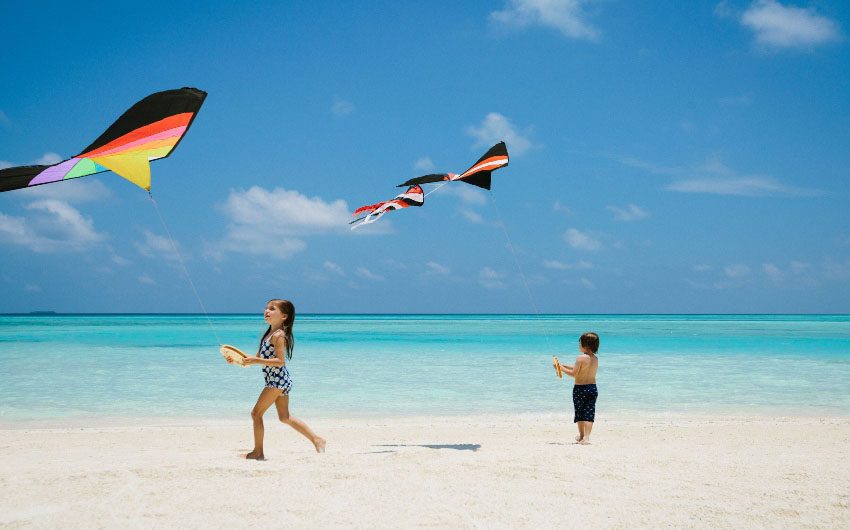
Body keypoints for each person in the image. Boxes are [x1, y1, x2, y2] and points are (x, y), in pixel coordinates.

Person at [236, 299, 326, 458]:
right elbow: (259, 357)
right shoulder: (268, 334)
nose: (267, 311)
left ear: (284, 316)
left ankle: (258, 452)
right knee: (284, 417)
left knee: (256, 414)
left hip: (277, 381)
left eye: (272, 309)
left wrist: (257, 361)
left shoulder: (279, 336)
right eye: (266, 308)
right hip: (280, 380)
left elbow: (280, 361)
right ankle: (317, 439)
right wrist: (240, 359)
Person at [557, 332, 599, 445]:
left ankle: (581, 436)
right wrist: (564, 365)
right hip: (592, 388)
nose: (579, 345)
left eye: (580, 343)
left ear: (586, 345)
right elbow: (580, 369)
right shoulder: (595, 359)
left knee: (579, 412)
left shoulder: (580, 358)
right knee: (589, 413)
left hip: (580, 389)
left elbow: (575, 373)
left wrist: (561, 369)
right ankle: (586, 437)